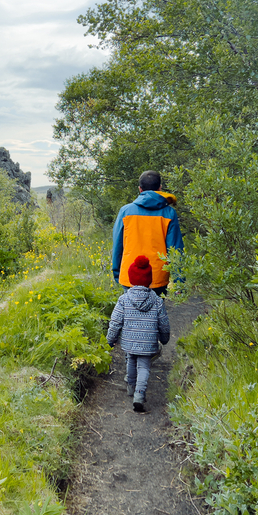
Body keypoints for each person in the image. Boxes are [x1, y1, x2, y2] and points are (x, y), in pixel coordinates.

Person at [107, 255, 170, 412]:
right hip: (148, 342)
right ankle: (139, 394)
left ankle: (131, 387)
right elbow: (163, 323)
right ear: (149, 279)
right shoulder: (157, 301)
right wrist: (164, 338)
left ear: (131, 279)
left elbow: (115, 322)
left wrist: (111, 339)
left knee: (130, 360)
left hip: (129, 341)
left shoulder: (124, 299)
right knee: (144, 367)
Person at [111, 170, 183, 296]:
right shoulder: (169, 213)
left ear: (140, 189)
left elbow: (118, 245)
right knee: (156, 313)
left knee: (131, 313)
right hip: (158, 277)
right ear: (160, 188)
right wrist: (179, 282)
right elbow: (175, 249)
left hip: (130, 274)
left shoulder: (126, 212)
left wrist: (117, 273)